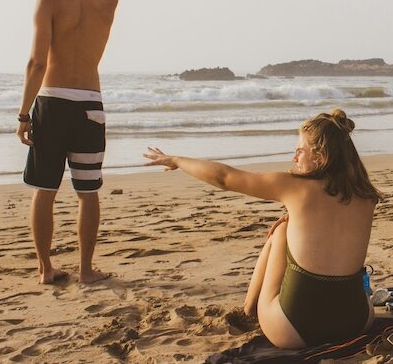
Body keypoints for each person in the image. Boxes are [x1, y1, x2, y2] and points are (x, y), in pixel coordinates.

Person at [143, 109, 380, 349]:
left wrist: (176, 160)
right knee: (296, 228)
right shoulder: (366, 195)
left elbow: (223, 178)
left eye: (300, 151)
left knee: (280, 232)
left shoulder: (295, 188)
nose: (294, 158)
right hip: (356, 322)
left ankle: (248, 310)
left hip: (295, 330)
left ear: (320, 155)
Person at [17, 0, 119, 284]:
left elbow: (36, 63)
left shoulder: (48, 0)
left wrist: (23, 113)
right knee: (87, 193)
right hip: (89, 105)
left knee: (45, 190)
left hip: (52, 104)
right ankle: (86, 270)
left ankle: (46, 269)